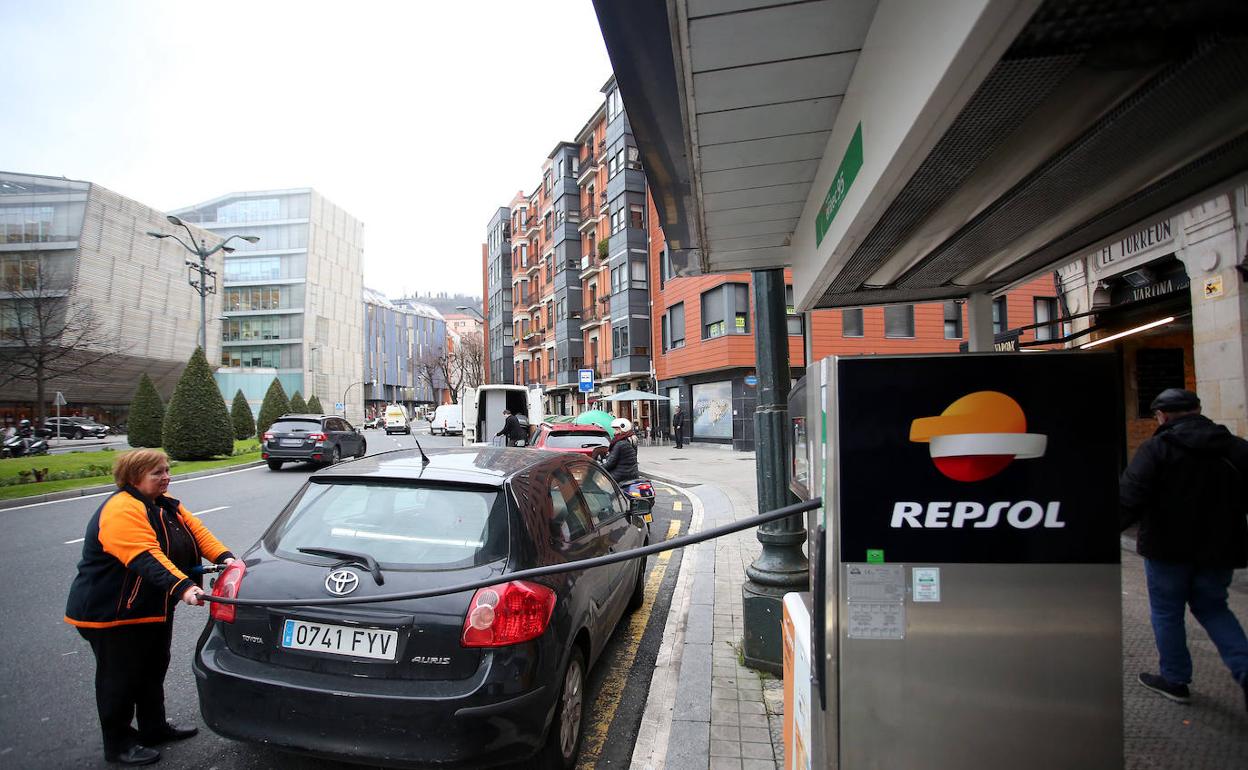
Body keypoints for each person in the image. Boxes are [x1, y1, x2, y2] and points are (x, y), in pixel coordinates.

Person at [65, 449, 235, 766]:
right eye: (157, 473)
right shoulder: (121, 509)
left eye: (167, 470)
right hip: (113, 612)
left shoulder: (165, 504)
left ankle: (153, 727)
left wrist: (226, 559)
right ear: (133, 477)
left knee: (152, 669)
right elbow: (145, 556)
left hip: (151, 607)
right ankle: (117, 743)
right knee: (120, 678)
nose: (166, 477)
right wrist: (183, 587)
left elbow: (198, 533)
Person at [1120, 388, 1248, 711]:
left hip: (1166, 548)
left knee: (1167, 612)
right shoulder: (1234, 448)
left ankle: (1175, 679)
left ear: (1161, 416)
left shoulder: (1156, 450)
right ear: (1198, 410)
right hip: (1220, 548)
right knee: (1215, 608)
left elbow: (1129, 499)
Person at [603, 417, 640, 483]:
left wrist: (599, 468)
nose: (614, 432)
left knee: (602, 483)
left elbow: (610, 463)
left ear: (623, 429)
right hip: (633, 474)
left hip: (620, 475)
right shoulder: (631, 440)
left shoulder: (620, 444)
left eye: (617, 430)